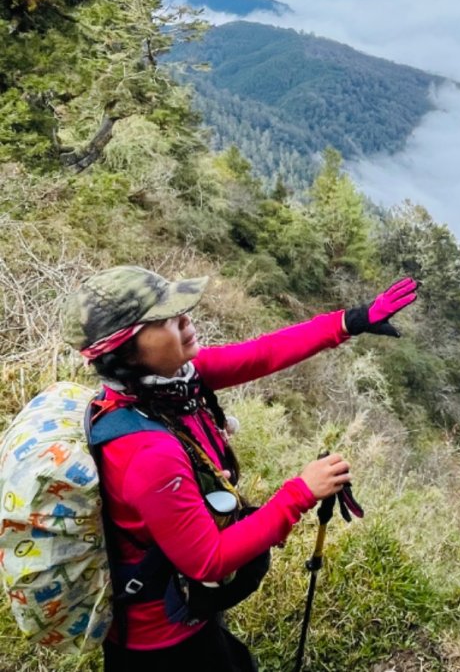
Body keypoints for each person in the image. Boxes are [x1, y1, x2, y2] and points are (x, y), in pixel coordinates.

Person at [62, 265, 418, 671]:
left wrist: (349, 321)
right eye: (165, 319)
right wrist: (301, 491)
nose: (185, 319)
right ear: (125, 351)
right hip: (162, 642)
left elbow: (262, 354)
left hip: (183, 606)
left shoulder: (168, 386)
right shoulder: (147, 451)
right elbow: (209, 560)